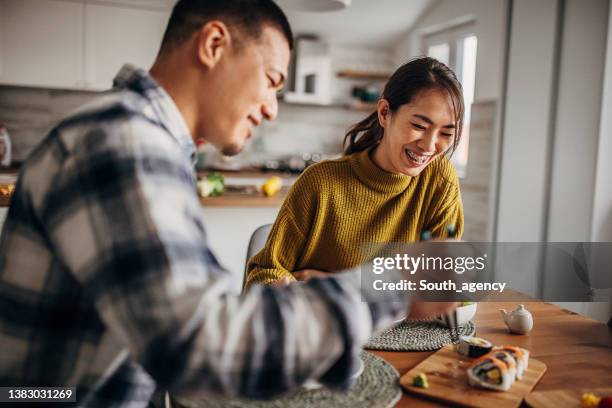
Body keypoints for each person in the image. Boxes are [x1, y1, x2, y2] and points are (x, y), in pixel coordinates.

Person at [0, 1, 457, 407]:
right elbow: (201, 350)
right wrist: (389, 285)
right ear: (214, 44)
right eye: (272, 80)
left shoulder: (144, 139)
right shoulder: (122, 145)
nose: (272, 107)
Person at [246, 57, 465, 289]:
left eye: (446, 133)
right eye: (419, 126)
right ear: (384, 113)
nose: (430, 146)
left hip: (401, 325)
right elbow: (263, 274)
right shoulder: (320, 183)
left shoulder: (439, 179)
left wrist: (334, 283)